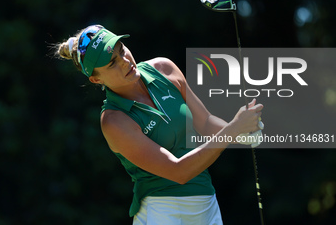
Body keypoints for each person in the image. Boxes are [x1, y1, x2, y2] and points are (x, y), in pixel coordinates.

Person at [56, 24, 263, 225]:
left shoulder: (164, 69)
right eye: (112, 63)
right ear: (95, 80)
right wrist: (232, 130)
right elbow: (178, 171)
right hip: (162, 212)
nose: (125, 61)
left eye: (122, 50)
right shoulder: (114, 120)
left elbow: (206, 123)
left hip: (207, 203)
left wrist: (243, 132)